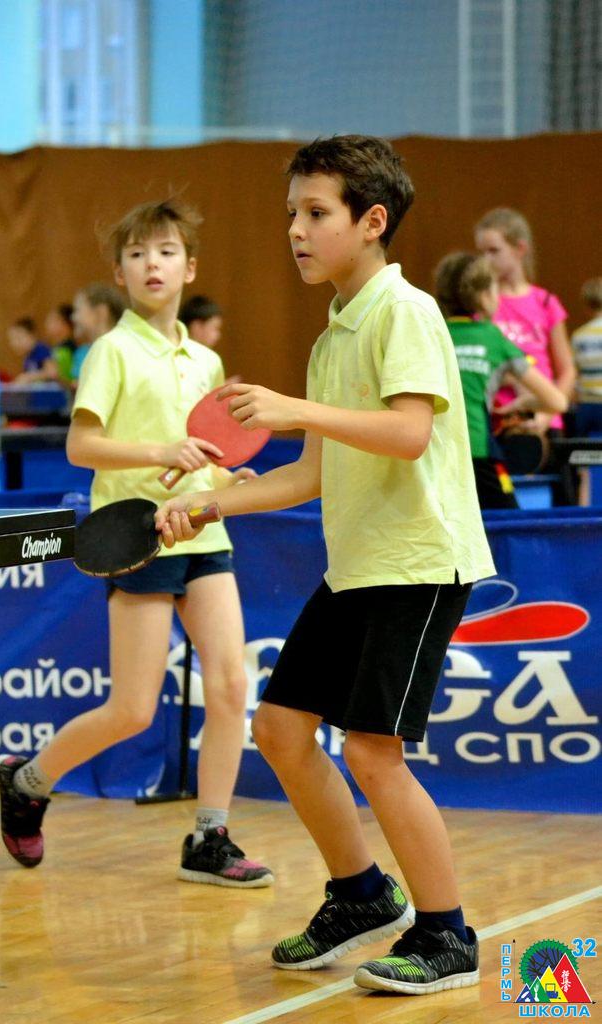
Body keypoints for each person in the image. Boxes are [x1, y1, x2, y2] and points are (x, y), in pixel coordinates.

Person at [156, 136, 496, 995]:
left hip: (418, 563)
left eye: (316, 213)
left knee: (374, 754)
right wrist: (211, 501)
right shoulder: (332, 335)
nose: (296, 231)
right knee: (279, 729)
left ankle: (447, 934)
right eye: (291, 214)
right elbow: (312, 473)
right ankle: (359, 894)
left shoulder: (402, 311)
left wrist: (294, 408)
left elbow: (409, 432)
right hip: (357, 565)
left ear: (371, 221)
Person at [0, 198, 271, 889]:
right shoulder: (110, 352)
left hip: (203, 532)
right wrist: (160, 450)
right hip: (138, 539)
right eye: (139, 253)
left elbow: (203, 454)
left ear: (189, 267)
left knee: (231, 684)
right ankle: (27, 782)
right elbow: (82, 445)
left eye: (167, 251)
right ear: (119, 272)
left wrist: (226, 478)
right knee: (133, 709)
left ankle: (209, 837)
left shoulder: (206, 360)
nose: (153, 264)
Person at [435, 252, 568, 509]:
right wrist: (520, 404)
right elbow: (557, 401)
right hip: (479, 450)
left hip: (435, 454)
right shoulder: (493, 338)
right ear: (485, 295)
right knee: (510, 524)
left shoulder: (433, 331)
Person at [474, 208, 575, 440]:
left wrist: (547, 413)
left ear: (520, 249)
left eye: (494, 251)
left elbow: (567, 370)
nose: (485, 260)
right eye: (481, 252)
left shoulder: (545, 302)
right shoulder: (484, 304)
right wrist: (513, 378)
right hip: (499, 419)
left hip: (546, 421)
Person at [571, 277, 602, 504]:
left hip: (587, 407)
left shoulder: (579, 336)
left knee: (585, 464)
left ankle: (584, 510)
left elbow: (574, 374)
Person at [70, 283, 125, 384]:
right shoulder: (83, 352)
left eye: (77, 310)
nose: (73, 317)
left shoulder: (121, 352)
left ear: (101, 312)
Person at [7, 317, 55, 383]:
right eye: (12, 340)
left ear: (32, 335)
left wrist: (29, 377)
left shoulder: (41, 349)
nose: (15, 343)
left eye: (19, 338)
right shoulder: (27, 357)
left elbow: (52, 372)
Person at [44, 303, 76, 384]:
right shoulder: (55, 348)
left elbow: (67, 378)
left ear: (65, 324)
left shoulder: (69, 348)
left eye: (52, 320)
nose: (47, 323)